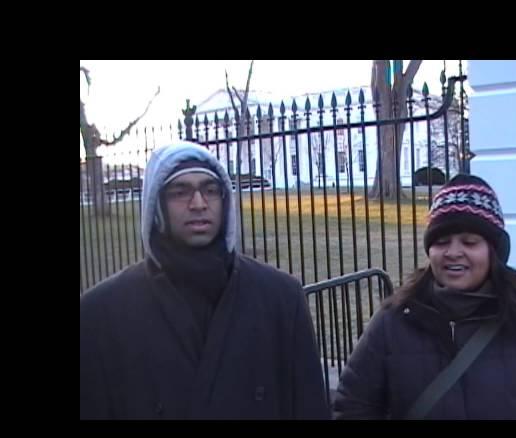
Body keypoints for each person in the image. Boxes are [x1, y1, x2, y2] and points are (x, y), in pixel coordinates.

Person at [80, 141, 330, 420]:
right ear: (157, 206)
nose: (198, 204)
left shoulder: (280, 298)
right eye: (180, 191)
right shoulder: (102, 313)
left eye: (210, 190)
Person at [333, 174, 516, 420]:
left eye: (469, 242)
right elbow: (353, 407)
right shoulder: (392, 322)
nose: (453, 253)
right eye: (441, 242)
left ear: (494, 251)